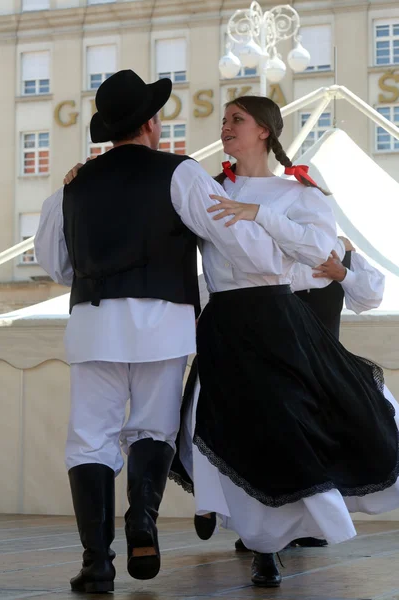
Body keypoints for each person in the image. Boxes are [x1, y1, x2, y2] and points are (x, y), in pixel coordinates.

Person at [35, 73, 336, 593]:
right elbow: (228, 232)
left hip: (93, 321)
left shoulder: (72, 184)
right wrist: (273, 261)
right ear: (151, 124)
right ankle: (143, 524)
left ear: (110, 131)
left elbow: (55, 264)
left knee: (90, 438)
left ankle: (96, 563)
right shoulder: (182, 175)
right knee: (154, 427)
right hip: (163, 322)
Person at [169, 95, 399, 589]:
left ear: (265, 132)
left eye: (237, 120)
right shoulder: (205, 189)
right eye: (225, 120)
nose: (226, 127)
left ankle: (266, 546)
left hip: (277, 319)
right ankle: (230, 515)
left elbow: (320, 252)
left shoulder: (299, 194)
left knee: (280, 426)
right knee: (216, 421)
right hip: (223, 321)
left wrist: (259, 215)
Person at [234, 236, 387, 553]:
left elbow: (371, 297)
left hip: (323, 370)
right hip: (271, 368)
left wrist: (342, 272)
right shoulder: (262, 252)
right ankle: (267, 529)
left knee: (317, 450)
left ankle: (306, 526)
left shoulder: (340, 253)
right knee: (270, 447)